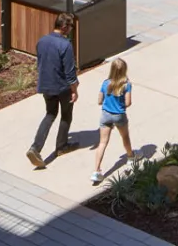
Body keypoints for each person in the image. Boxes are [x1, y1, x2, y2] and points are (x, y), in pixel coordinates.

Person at [27, 12, 78, 168]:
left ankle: (35, 148)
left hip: (46, 85)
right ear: (64, 27)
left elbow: (41, 62)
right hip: (61, 87)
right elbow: (69, 71)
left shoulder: (42, 41)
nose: (71, 30)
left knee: (50, 114)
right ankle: (61, 146)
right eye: (71, 27)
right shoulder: (65, 45)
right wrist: (74, 89)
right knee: (66, 114)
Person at [90, 57, 135, 185]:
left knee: (102, 143)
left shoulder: (105, 83)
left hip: (105, 115)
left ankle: (96, 171)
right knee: (125, 136)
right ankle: (131, 157)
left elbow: (99, 101)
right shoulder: (126, 84)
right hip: (119, 115)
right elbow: (128, 102)